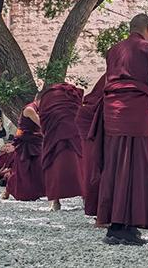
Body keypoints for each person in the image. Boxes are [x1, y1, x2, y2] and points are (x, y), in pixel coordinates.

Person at [97, 14, 148, 246]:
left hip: (113, 113)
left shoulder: (113, 51)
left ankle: (120, 225)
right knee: (137, 166)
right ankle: (123, 226)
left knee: (117, 165)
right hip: (136, 111)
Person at [39, 82, 85, 211]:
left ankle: (55, 201)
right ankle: (85, 197)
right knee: (79, 164)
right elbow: (79, 113)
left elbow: (44, 118)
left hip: (54, 137)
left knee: (55, 166)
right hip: (73, 135)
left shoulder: (49, 98)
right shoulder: (72, 99)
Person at [3, 100, 45, 201]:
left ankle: (36, 192)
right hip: (26, 142)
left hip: (36, 141)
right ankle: (9, 189)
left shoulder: (38, 109)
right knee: (22, 169)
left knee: (38, 167)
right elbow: (42, 124)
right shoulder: (29, 109)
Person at [76, 75, 105, 217]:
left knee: (92, 165)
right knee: (95, 165)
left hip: (92, 121)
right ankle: (96, 204)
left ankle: (94, 202)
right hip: (92, 125)